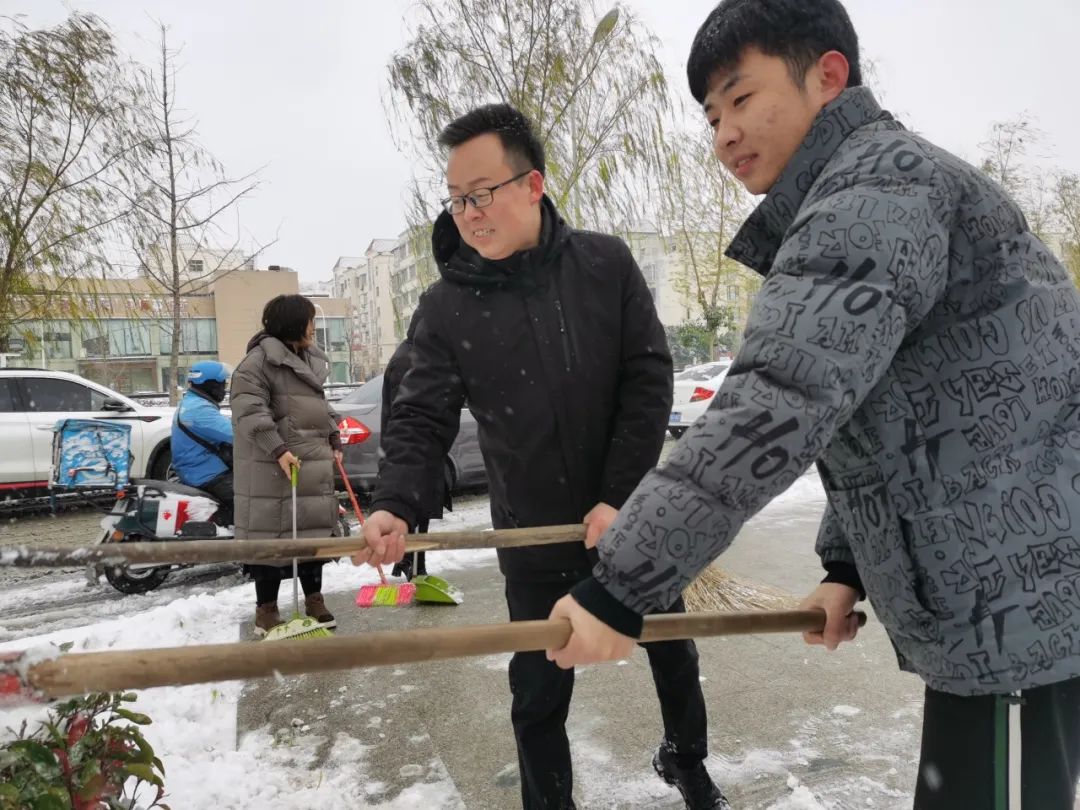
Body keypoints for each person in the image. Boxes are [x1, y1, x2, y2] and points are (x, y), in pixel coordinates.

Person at [543, 1, 1080, 808]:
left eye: (741, 96)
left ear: (828, 76)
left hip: (1018, 601)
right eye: (711, 114)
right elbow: (879, 415)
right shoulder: (871, 187)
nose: (723, 132)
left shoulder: (877, 190)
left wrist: (623, 586)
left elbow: (781, 397)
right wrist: (846, 567)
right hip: (1002, 594)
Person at [355, 104, 726, 810]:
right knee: (537, 694)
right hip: (532, 533)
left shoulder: (605, 265)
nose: (468, 212)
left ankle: (687, 760)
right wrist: (394, 503)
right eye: (457, 198)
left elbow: (647, 381)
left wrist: (619, 495)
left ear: (534, 184)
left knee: (673, 653)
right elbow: (419, 414)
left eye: (482, 192)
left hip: (628, 519)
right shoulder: (446, 306)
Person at [230, 294, 342, 637]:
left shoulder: (307, 359)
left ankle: (314, 600)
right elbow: (249, 412)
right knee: (270, 540)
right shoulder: (256, 364)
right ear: (292, 322)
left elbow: (317, 407)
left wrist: (335, 434)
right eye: (309, 320)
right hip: (273, 468)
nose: (313, 327)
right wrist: (277, 449)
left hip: (310, 464)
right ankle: (266, 611)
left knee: (310, 535)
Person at [381, 309, 453, 581]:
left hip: (419, 447)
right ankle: (413, 564)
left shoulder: (412, 354)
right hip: (411, 448)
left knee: (420, 509)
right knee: (413, 506)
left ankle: (412, 561)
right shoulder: (408, 360)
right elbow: (409, 410)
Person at [171, 360, 234, 526]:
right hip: (205, 474)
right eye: (222, 384)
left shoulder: (195, 403)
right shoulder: (199, 410)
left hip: (197, 468)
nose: (224, 389)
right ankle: (240, 539)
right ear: (210, 385)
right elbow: (237, 435)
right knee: (249, 500)